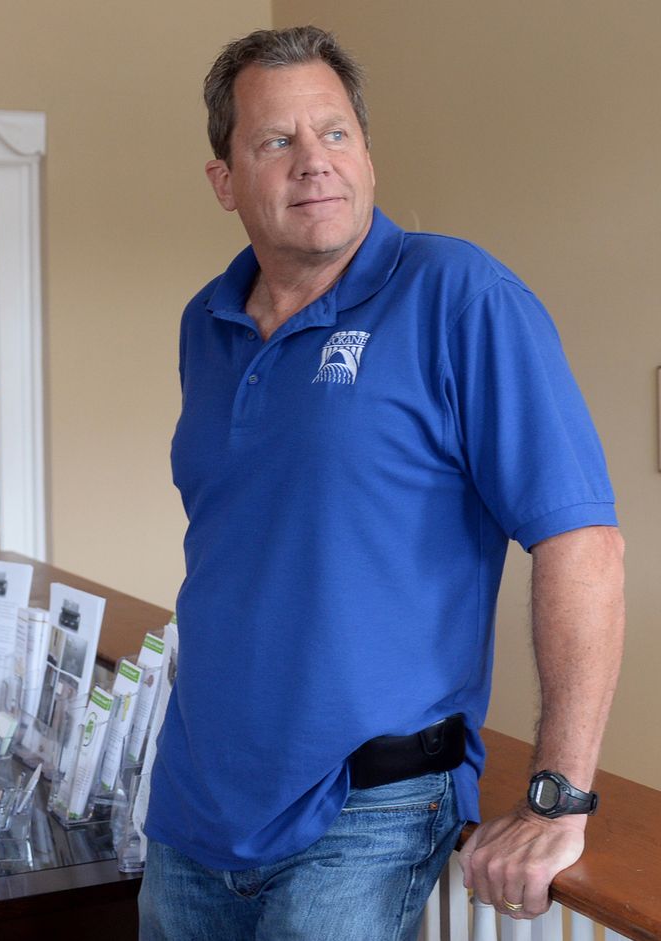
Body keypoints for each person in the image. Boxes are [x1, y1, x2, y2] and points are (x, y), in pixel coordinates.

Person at [139, 25, 625, 941]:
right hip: (192, 808)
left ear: (368, 153)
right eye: (274, 141)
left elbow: (583, 542)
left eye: (334, 134)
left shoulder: (458, 293)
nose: (312, 163)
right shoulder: (205, 324)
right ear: (225, 180)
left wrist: (560, 797)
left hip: (368, 812)